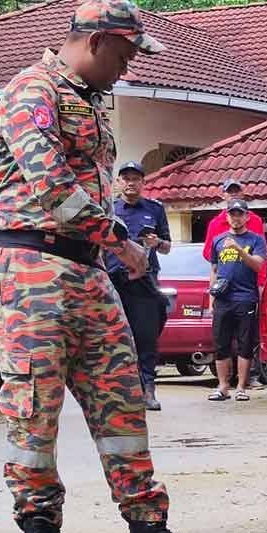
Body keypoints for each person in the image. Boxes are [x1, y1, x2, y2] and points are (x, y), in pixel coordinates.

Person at [0, 0, 214, 533]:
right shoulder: (31, 91)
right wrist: (121, 243)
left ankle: (148, 532)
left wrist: (107, 249)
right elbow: (52, 185)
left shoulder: (87, 100)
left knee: (122, 404)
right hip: (29, 266)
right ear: (97, 41)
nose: (128, 67)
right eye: (126, 54)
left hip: (86, 270)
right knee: (34, 411)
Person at [108, 161, 171, 412]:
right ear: (118, 182)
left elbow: (167, 247)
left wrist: (156, 243)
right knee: (114, 339)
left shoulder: (154, 209)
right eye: (126, 178)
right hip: (114, 280)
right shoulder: (109, 209)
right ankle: (118, 392)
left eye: (135, 178)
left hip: (144, 282)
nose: (131, 183)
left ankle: (148, 390)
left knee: (146, 338)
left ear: (143, 183)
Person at [208, 199, 266, 402]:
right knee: (221, 344)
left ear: (247, 217)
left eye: (240, 214)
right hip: (223, 299)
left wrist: (239, 249)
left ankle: (241, 387)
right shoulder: (218, 240)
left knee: (245, 344)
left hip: (245, 298)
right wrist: (211, 298)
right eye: (232, 214)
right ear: (227, 216)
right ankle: (223, 386)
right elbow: (214, 270)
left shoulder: (256, 240)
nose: (236, 218)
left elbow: (258, 265)